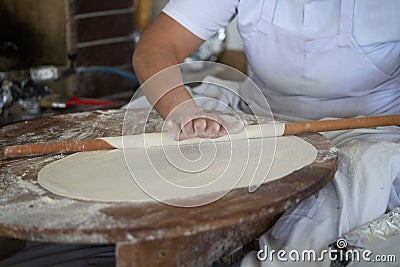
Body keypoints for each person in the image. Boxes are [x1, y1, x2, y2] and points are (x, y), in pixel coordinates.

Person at [133, 0, 400, 266]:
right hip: (255, 118)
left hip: (366, 129)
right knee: (144, 125)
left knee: (338, 207)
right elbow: (156, 47)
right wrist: (182, 111)